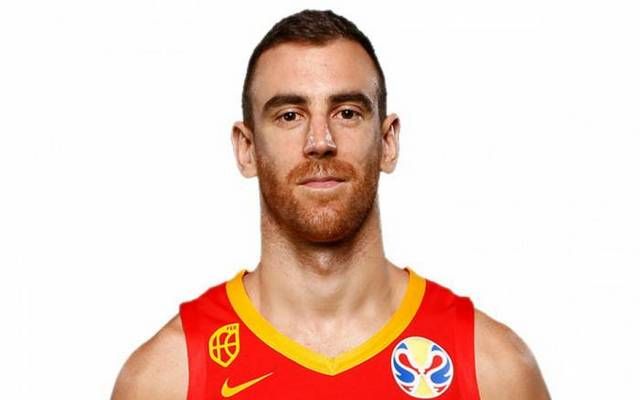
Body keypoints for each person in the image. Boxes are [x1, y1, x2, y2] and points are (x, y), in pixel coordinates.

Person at [111, 9, 550, 400]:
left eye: (347, 112)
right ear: (246, 149)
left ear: (388, 142)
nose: (320, 141)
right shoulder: (167, 379)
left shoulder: (493, 371)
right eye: (289, 115)